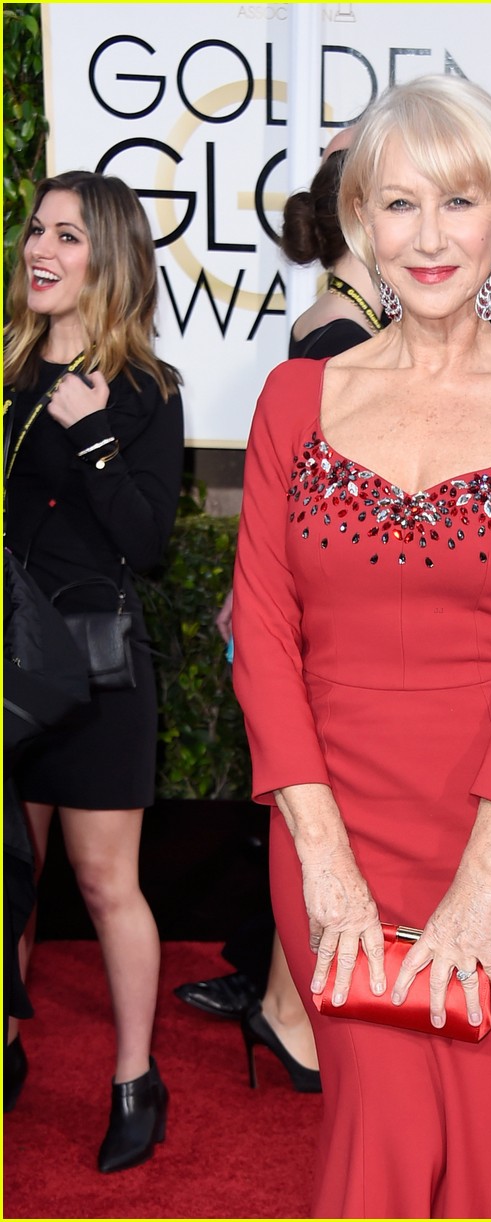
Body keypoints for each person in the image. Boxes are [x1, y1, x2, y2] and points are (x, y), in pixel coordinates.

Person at [232, 75, 491, 1219]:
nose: (431, 236)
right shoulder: (295, 399)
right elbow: (260, 630)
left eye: (461, 203)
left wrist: (478, 885)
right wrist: (325, 858)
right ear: (361, 225)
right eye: (400, 205)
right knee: (378, 1152)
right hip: (330, 835)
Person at [175, 134, 384, 1095]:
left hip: (306, 612)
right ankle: (289, 1007)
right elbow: (324, 505)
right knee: (311, 813)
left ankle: (284, 1003)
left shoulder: (340, 321)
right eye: (400, 201)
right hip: (314, 621)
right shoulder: (340, 335)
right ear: (361, 220)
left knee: (303, 814)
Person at [3, 171, 184, 1172]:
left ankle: (134, 1079)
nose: (41, 248)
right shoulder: (4, 369)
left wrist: (95, 432)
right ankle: (7, 1044)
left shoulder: (148, 391)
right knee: (10, 883)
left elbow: (148, 541)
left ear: (106, 258)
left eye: (68, 235)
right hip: (6, 671)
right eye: (36, 229)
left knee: (105, 882)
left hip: (95, 672)